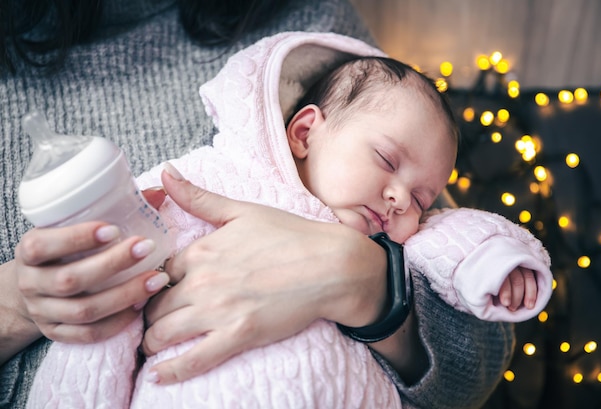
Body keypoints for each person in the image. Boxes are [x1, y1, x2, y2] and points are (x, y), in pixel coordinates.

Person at [0, 1, 519, 408]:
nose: (402, 199)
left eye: (421, 199)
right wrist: (25, 303)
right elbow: (99, 350)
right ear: (304, 131)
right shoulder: (203, 181)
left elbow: (481, 339)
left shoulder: (321, 40)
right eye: (384, 161)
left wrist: (368, 280)